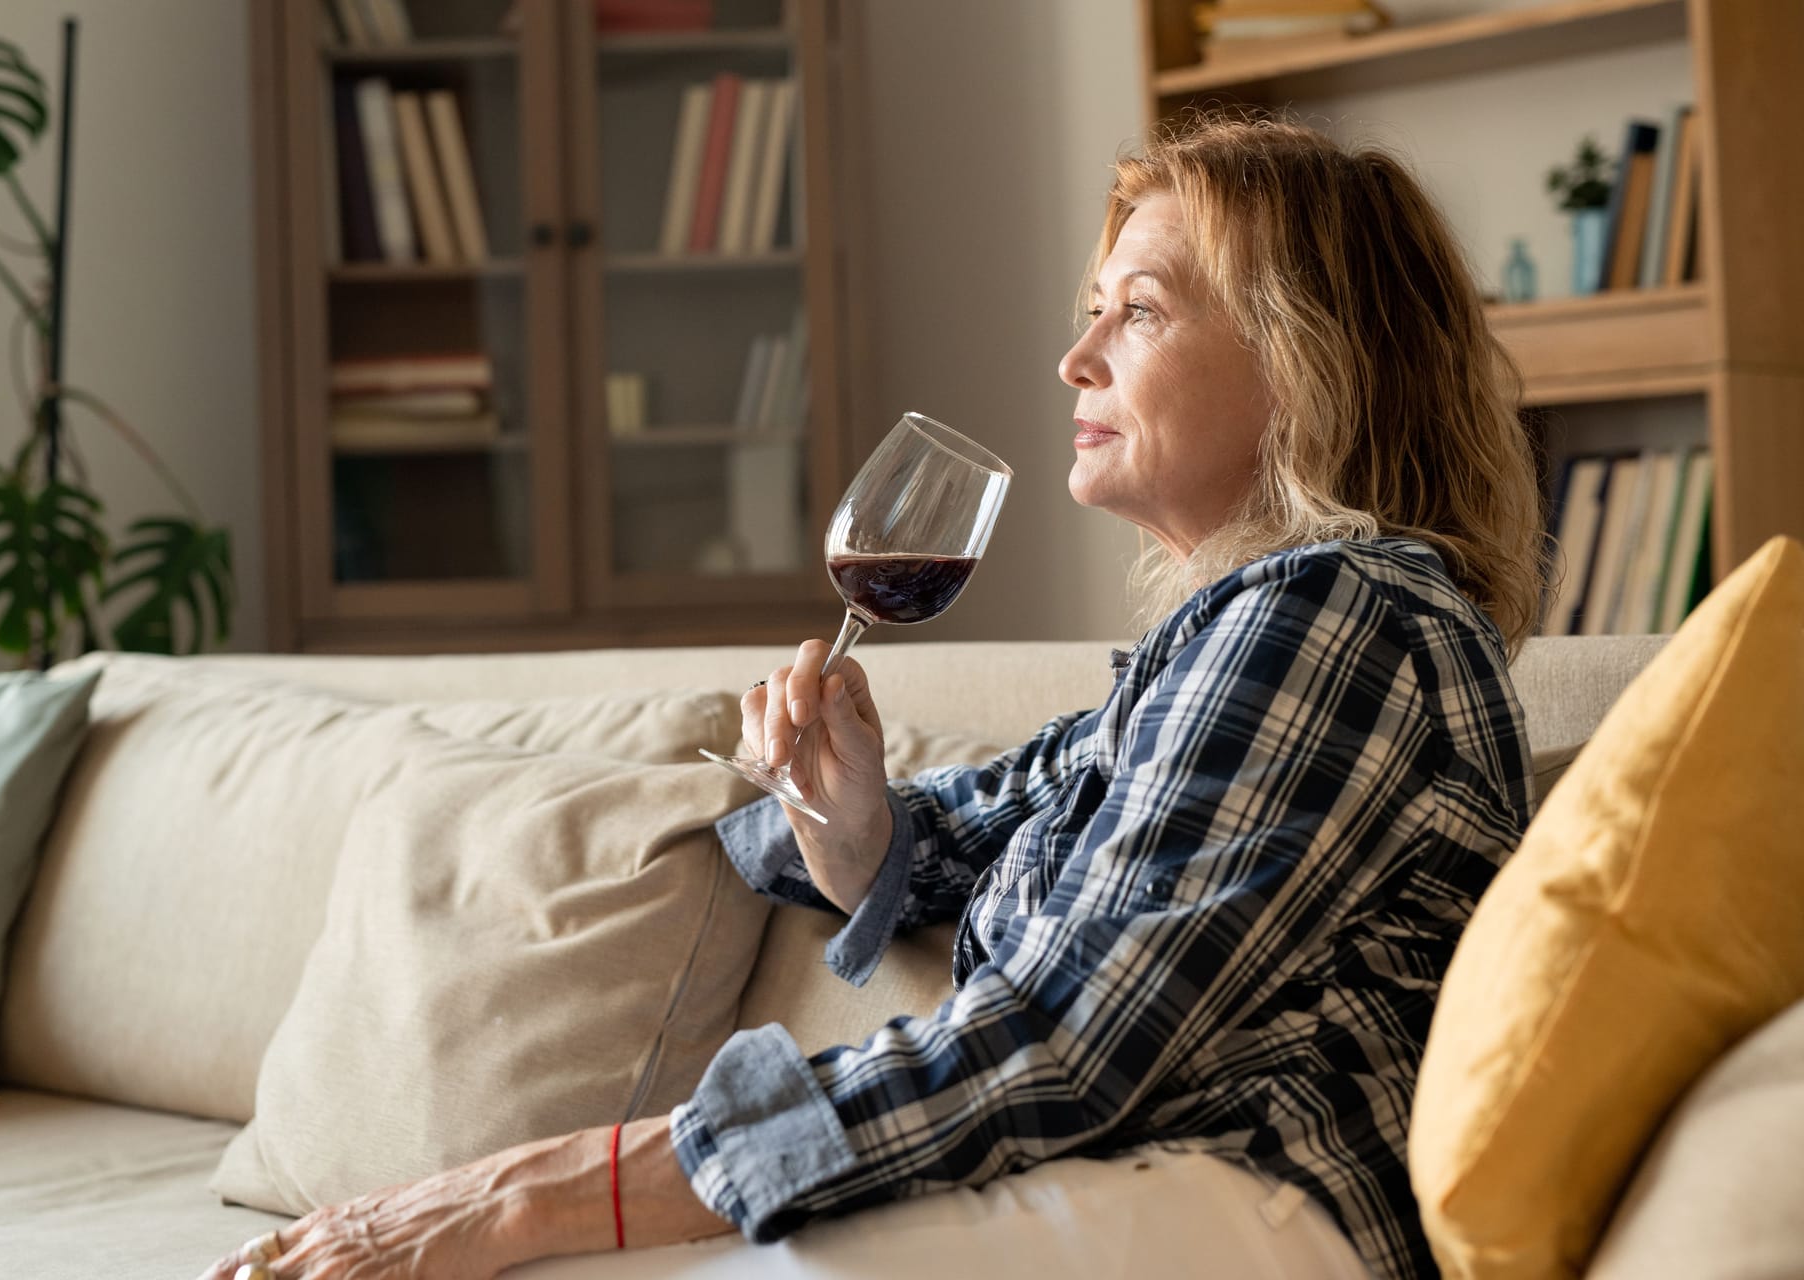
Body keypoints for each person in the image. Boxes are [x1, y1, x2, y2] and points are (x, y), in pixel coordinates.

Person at [203, 112, 1546, 1280]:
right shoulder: (1231, 641)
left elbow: (1059, 1047)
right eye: (1092, 308)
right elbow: (993, 826)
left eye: (1137, 310)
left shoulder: (1334, 620)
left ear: (1309, 357)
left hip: (1243, 1208)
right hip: (1146, 1192)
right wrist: (855, 831)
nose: (1076, 360)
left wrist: (527, 1189)